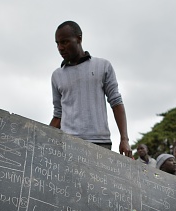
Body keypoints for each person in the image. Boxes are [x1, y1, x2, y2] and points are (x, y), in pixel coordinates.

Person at [49, 21, 131, 157]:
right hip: (68, 143)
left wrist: (124, 139)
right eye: (57, 43)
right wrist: (41, 138)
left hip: (99, 143)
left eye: (64, 42)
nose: (60, 47)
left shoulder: (102, 66)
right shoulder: (57, 75)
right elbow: (58, 114)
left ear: (79, 38)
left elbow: (116, 103)